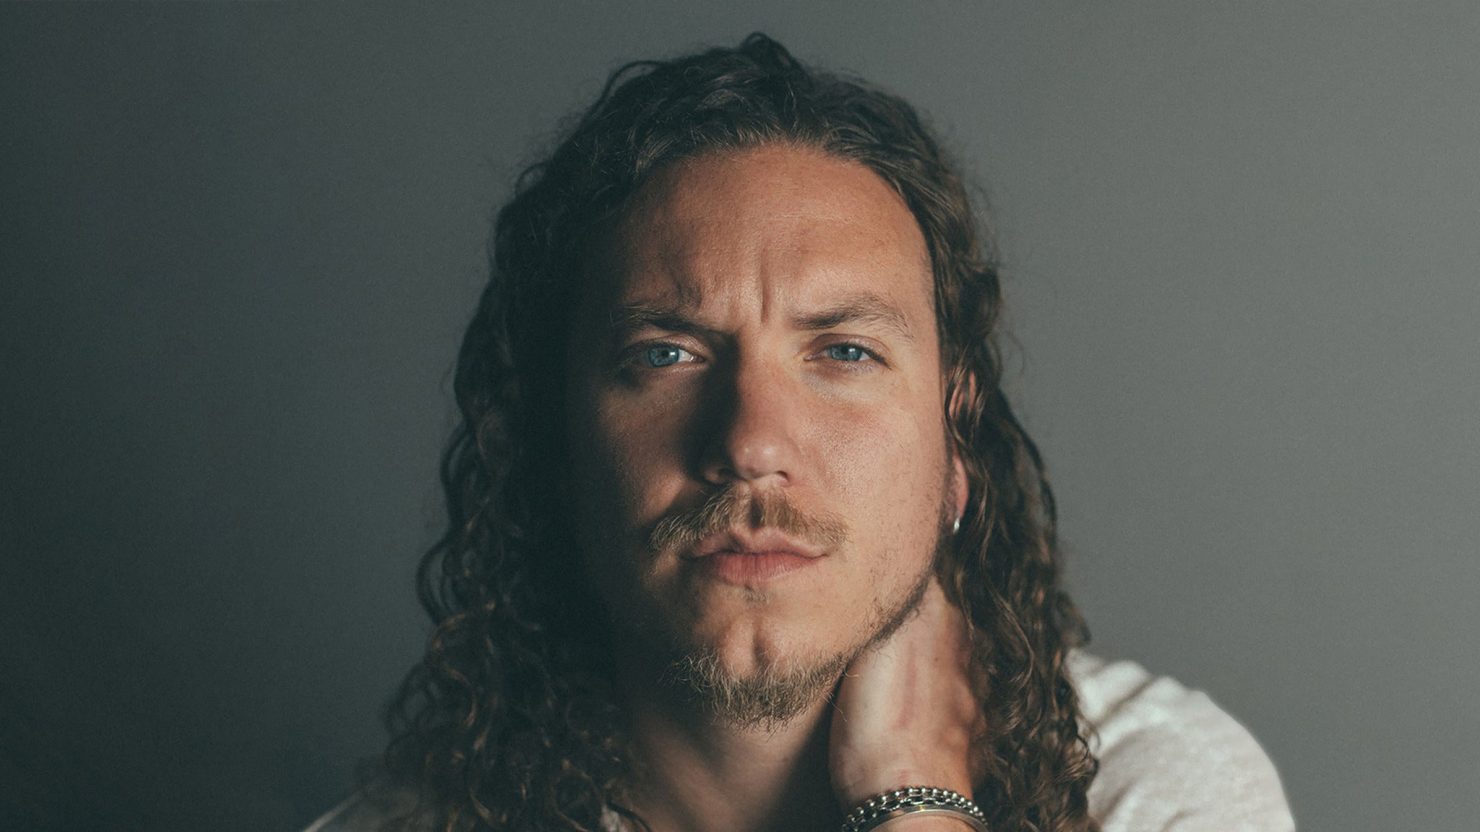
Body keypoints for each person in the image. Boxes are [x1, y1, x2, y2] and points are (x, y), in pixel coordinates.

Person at [308, 34, 1294, 832]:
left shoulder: (1147, 790)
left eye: (844, 353)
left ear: (955, 446)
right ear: (556, 446)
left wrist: (912, 799)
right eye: (666, 353)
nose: (751, 443)